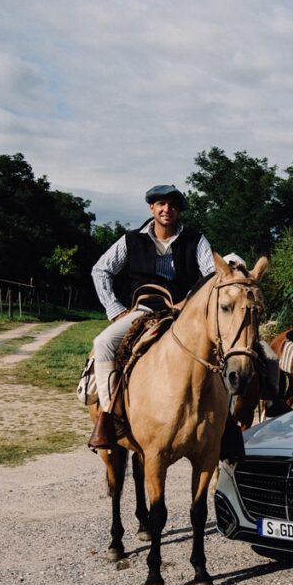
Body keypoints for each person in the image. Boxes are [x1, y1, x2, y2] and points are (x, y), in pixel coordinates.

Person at [87, 184, 217, 450]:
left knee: (226, 349)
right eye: (161, 204)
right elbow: (100, 270)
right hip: (143, 310)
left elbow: (214, 275)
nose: (166, 209)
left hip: (185, 314)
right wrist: (115, 309)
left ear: (178, 210)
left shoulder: (195, 240)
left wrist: (188, 303)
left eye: (172, 205)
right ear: (152, 208)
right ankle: (110, 417)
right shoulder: (131, 239)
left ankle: (225, 426)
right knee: (103, 343)